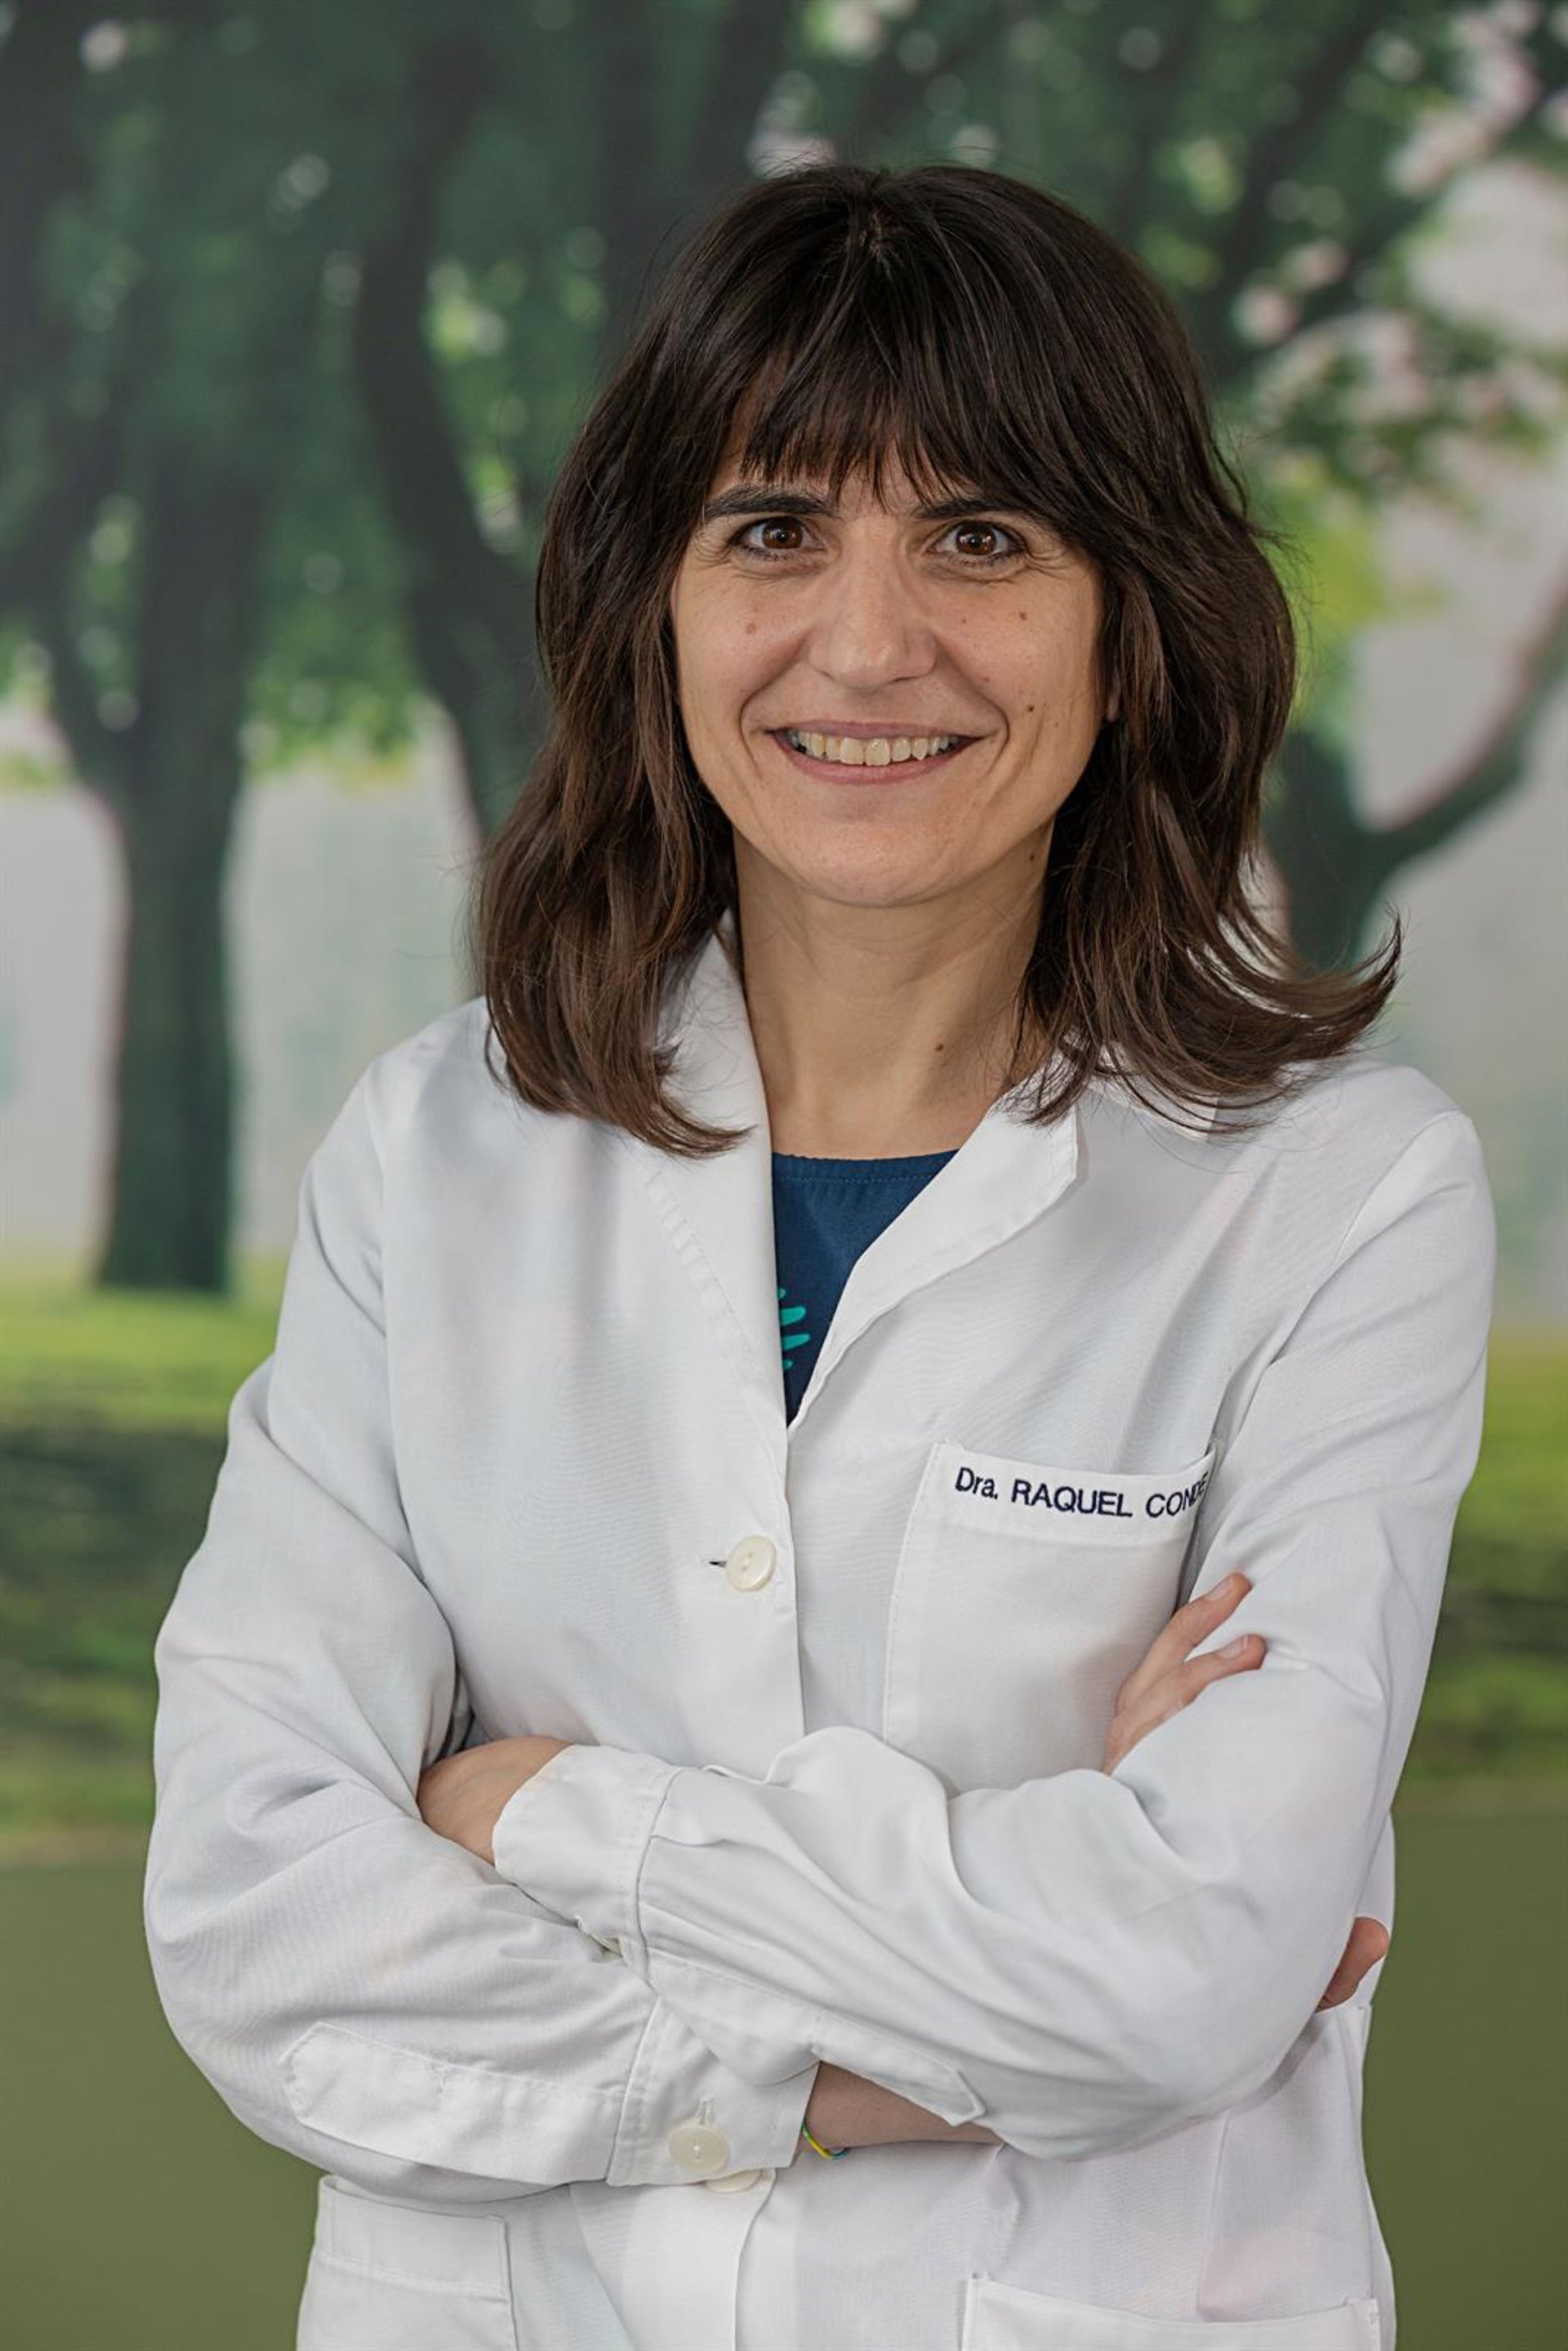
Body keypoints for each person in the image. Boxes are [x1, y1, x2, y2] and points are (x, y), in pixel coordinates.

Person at [143, 163, 1494, 2351]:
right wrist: (879, 2068)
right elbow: (257, 1929)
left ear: (1132, 620)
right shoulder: (433, 1153)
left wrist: (538, 1815)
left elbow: (1185, 1974)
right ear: (656, 610)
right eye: (773, 530)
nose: (868, 646)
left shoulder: (1344, 1198)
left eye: (983, 537)